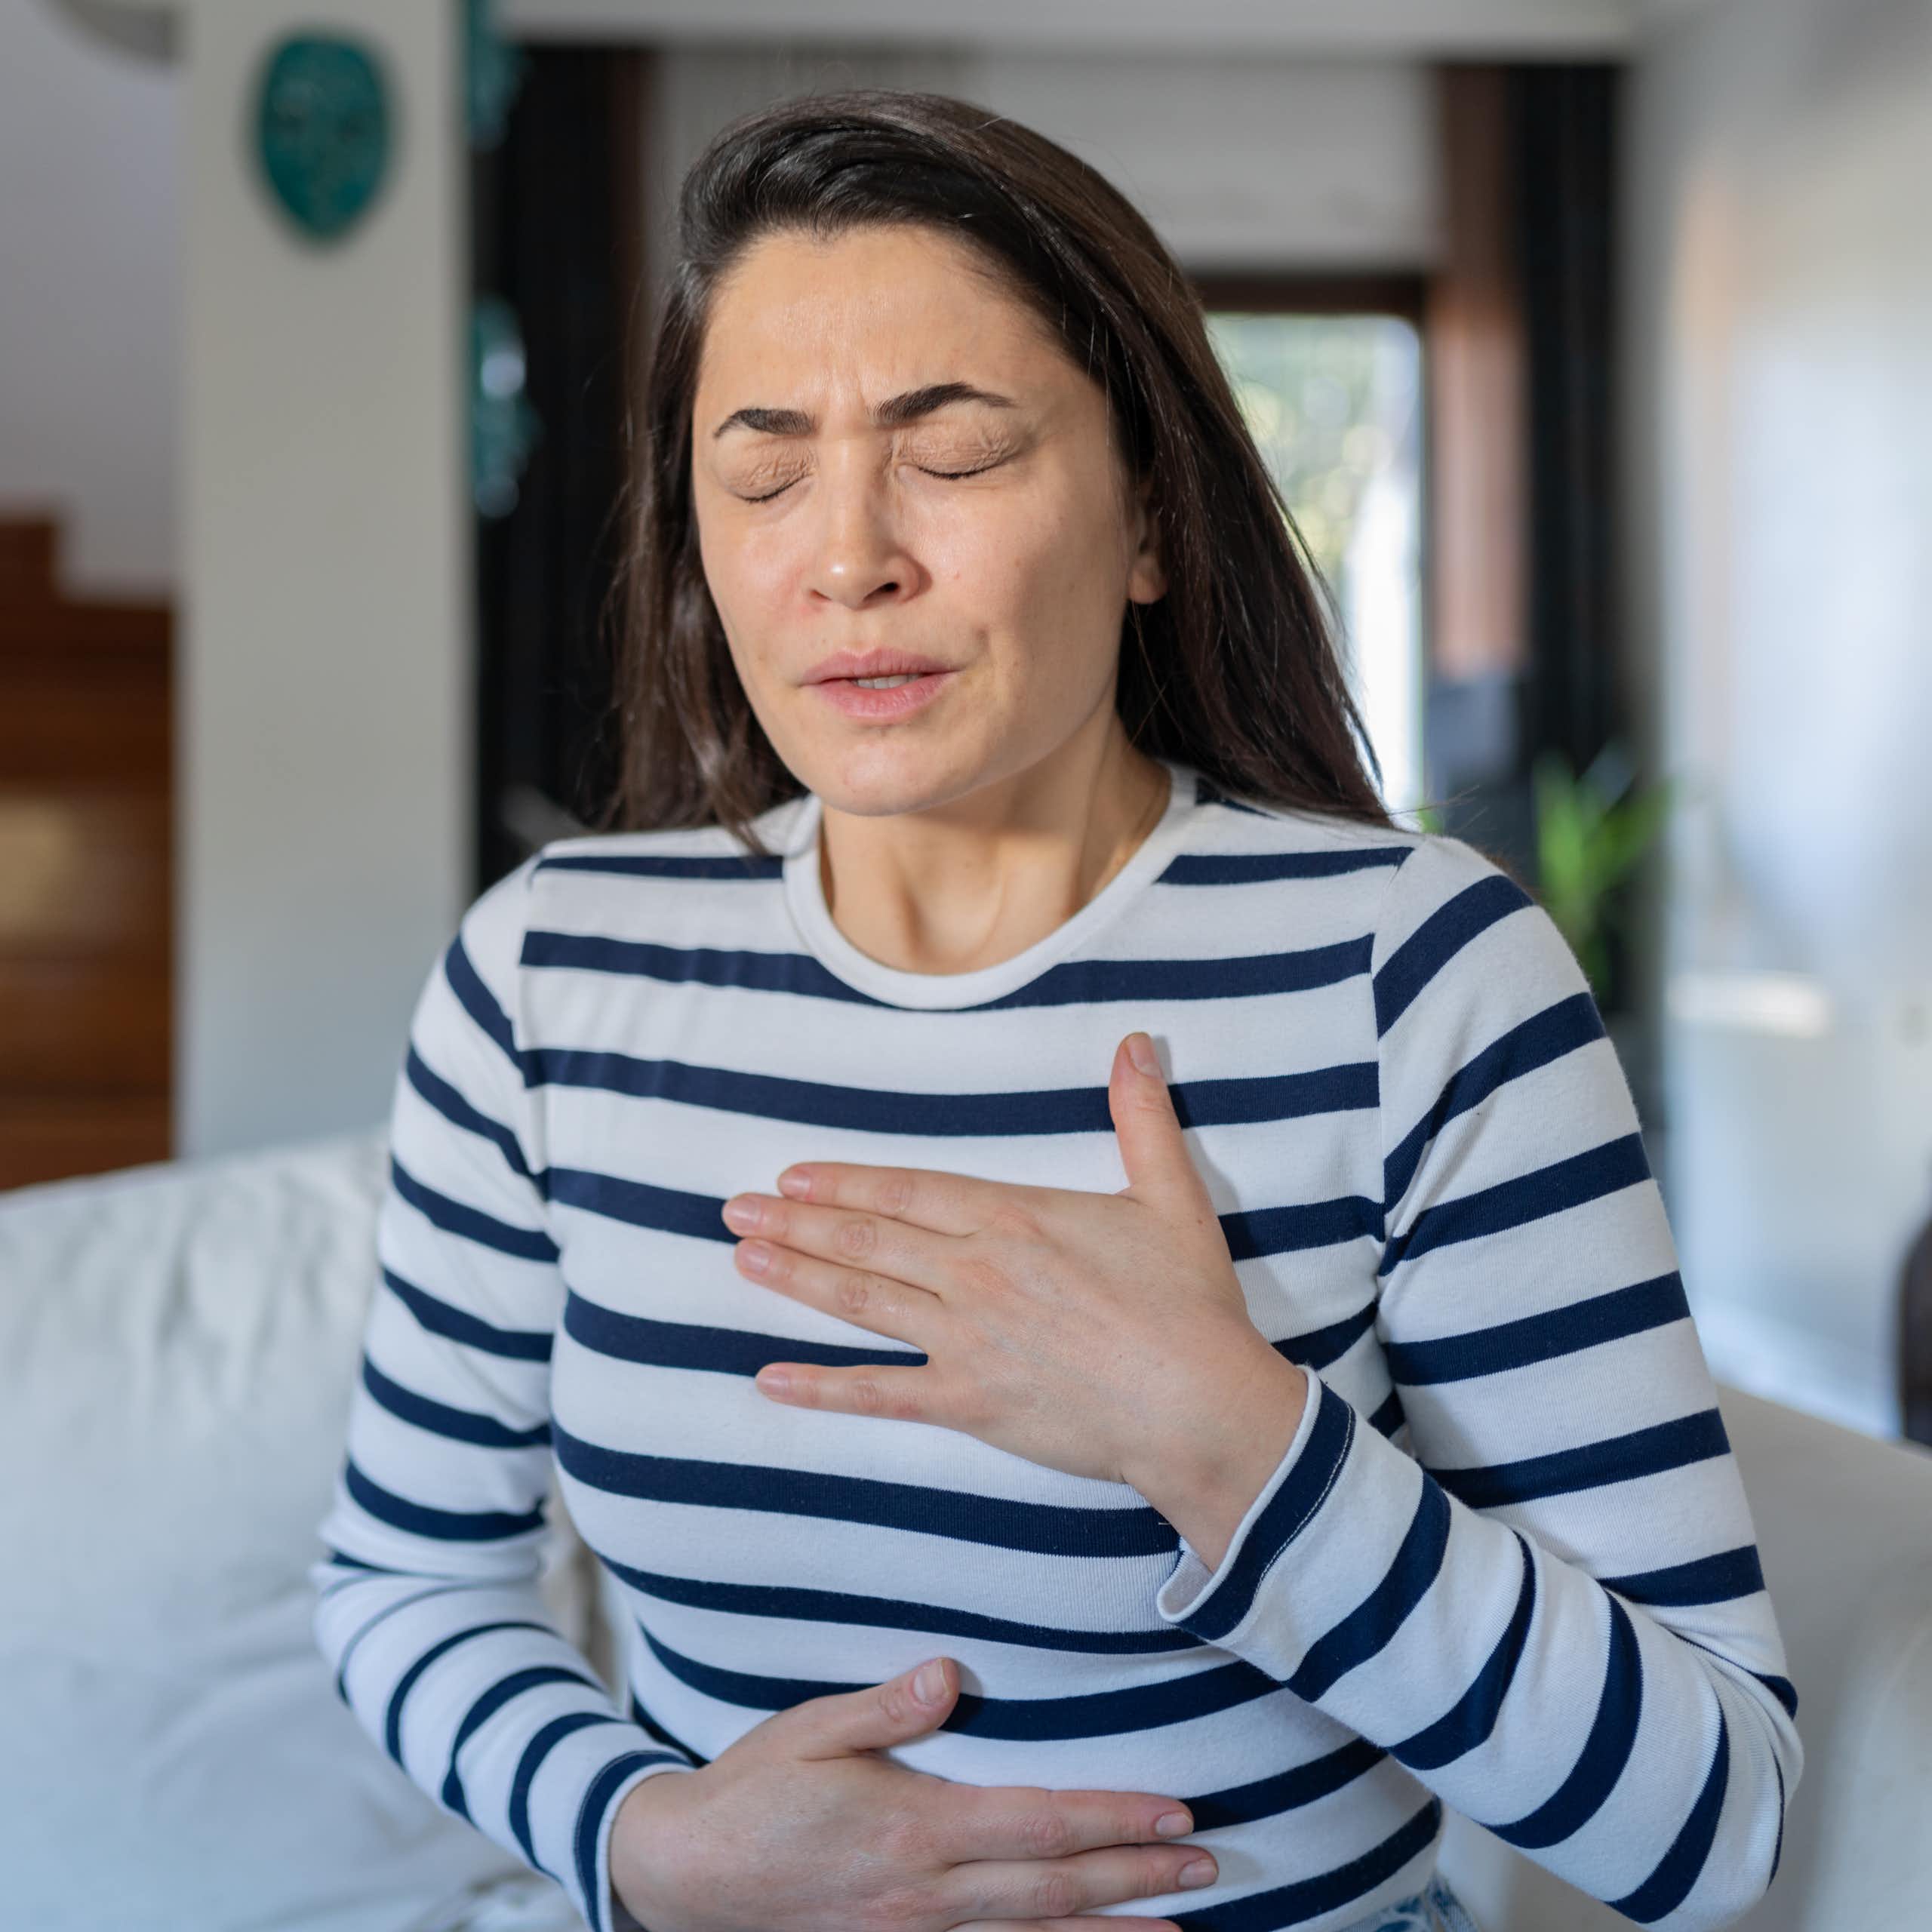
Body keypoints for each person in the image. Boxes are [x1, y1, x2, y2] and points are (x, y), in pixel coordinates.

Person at [311, 89, 1800, 1932]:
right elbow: (408, 1579)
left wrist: (1217, 1430)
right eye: (762, 477)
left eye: (950, 451)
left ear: (1151, 512)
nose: (846, 555)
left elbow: (1711, 1818)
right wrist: (639, 1840)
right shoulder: (550, 973)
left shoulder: (1411, 973)